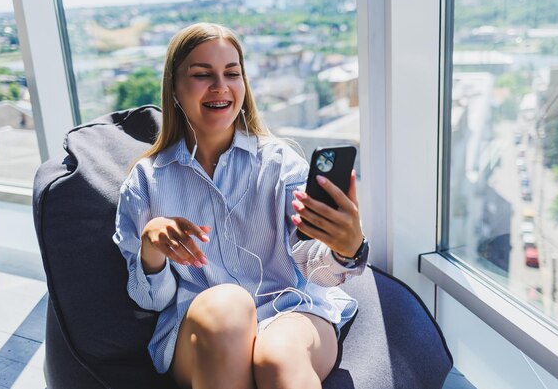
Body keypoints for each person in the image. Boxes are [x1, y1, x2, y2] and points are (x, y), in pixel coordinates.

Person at [113, 22, 368, 389]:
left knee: (277, 356)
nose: (220, 86)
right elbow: (152, 301)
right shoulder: (146, 182)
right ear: (174, 89)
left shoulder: (281, 164)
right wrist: (151, 249)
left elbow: (314, 270)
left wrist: (346, 251)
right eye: (203, 75)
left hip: (290, 312)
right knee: (228, 304)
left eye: (232, 73)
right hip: (203, 328)